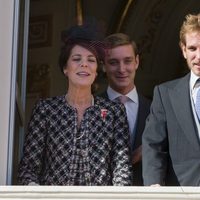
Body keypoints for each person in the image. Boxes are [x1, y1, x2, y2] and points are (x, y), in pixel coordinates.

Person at [18, 24, 133, 185]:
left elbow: (122, 168)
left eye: (91, 60)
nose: (84, 64)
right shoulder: (46, 110)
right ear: (66, 68)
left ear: (96, 70)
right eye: (77, 59)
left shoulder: (114, 112)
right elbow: (28, 169)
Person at [142, 13, 200, 186]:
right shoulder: (164, 94)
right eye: (192, 48)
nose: (199, 56)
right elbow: (153, 144)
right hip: (181, 192)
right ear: (183, 50)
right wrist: (154, 188)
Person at [102, 33, 151, 185]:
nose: (122, 69)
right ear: (103, 65)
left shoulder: (157, 109)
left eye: (128, 61)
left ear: (136, 62)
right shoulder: (90, 107)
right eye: (113, 62)